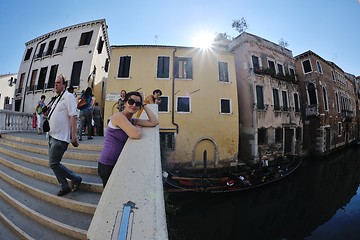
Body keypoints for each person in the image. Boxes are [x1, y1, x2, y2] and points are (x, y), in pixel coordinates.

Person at [98, 91, 159, 187]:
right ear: (125, 102)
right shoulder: (118, 117)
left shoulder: (131, 120)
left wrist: (144, 105)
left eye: (137, 104)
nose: (134, 105)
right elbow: (136, 134)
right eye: (131, 102)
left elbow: (154, 122)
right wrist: (138, 129)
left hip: (117, 163)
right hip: (107, 164)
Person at [47, 74, 82, 196]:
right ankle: (64, 185)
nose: (55, 84)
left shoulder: (68, 96)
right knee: (54, 164)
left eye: (58, 82)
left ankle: (75, 179)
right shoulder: (57, 98)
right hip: (52, 136)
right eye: (55, 83)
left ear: (64, 85)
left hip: (61, 138)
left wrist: (73, 135)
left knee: (53, 163)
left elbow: (73, 115)